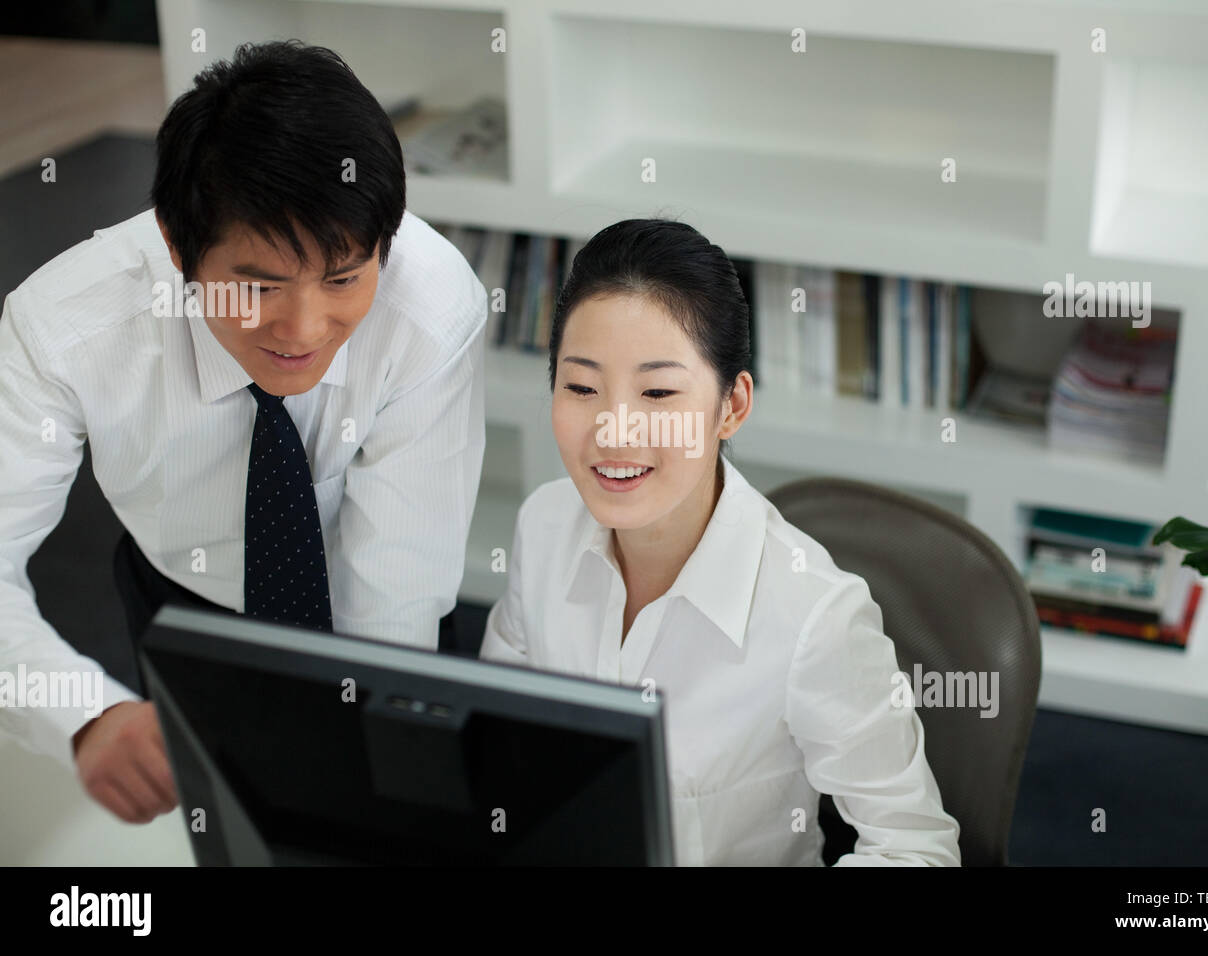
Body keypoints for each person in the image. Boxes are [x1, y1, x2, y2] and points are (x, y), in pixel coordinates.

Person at [0, 41, 486, 824]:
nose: (302, 329)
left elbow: (396, 592)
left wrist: (380, 750)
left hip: (368, 605)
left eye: (342, 278)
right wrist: (84, 713)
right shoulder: (63, 327)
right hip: (185, 603)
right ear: (175, 243)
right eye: (256, 285)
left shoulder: (430, 310)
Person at [479, 219, 960, 865]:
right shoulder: (543, 525)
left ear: (731, 406)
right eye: (582, 387)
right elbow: (493, 740)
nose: (614, 433)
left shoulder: (815, 619)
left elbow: (916, 850)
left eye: (657, 392)